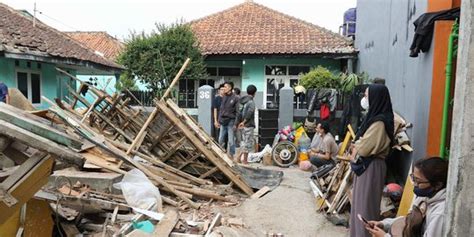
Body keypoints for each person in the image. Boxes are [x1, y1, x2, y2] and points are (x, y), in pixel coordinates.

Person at [349, 84, 394, 237]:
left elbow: (363, 148)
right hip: (366, 166)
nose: (364, 99)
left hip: (371, 167)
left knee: (365, 207)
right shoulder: (374, 118)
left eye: (367, 96)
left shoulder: (380, 122)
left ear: (376, 98)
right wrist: (358, 144)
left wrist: (357, 145)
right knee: (359, 206)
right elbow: (360, 143)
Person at [365, 157, 448, 237]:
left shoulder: (439, 213)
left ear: (437, 185)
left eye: (418, 181)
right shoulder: (425, 197)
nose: (415, 184)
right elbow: (409, 220)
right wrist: (384, 224)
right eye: (414, 179)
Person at [235, 85, 257, 164]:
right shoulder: (251, 102)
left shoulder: (242, 101)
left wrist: (239, 122)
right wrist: (244, 122)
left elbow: (239, 112)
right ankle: (242, 159)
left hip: (242, 125)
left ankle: (241, 159)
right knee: (247, 143)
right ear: (254, 93)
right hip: (248, 125)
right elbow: (249, 113)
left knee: (244, 142)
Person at [218, 81, 238, 156]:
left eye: (225, 87)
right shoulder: (224, 96)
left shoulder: (236, 98)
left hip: (231, 121)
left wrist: (236, 123)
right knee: (220, 139)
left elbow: (238, 112)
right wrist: (219, 120)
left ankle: (232, 156)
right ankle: (221, 154)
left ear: (230, 88)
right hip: (223, 121)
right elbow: (221, 109)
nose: (224, 88)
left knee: (231, 141)